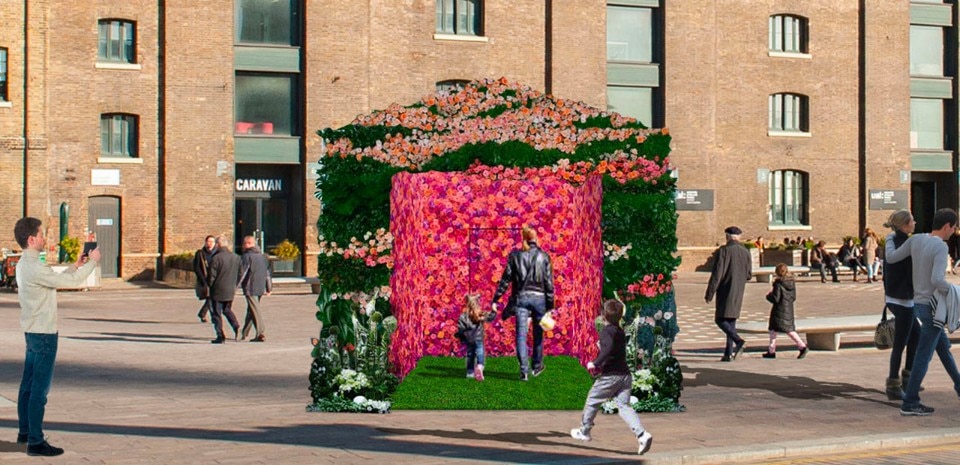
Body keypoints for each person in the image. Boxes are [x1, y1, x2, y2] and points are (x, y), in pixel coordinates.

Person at [13, 217, 101, 456]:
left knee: (27, 386)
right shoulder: (34, 266)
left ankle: (24, 432)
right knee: (39, 392)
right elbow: (70, 282)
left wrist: (75, 264)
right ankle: (35, 441)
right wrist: (92, 263)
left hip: (32, 331)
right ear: (32, 239)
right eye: (41, 235)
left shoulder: (25, 264)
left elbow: (53, 279)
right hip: (44, 334)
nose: (44, 239)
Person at [884, 208, 960, 416]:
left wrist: (890, 237)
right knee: (923, 356)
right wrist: (954, 290)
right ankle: (910, 402)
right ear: (947, 226)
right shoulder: (941, 247)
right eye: (954, 228)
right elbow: (937, 280)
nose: (954, 231)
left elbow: (891, 257)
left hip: (918, 304)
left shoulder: (916, 239)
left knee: (943, 349)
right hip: (933, 307)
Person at [570, 299, 653, 455]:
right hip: (624, 376)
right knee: (624, 406)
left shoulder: (607, 331)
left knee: (592, 400)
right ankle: (642, 435)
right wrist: (602, 346)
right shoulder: (619, 331)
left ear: (603, 315)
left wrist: (595, 363)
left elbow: (607, 351)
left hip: (611, 376)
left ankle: (584, 431)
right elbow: (612, 348)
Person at [492, 226, 556, 381]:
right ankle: (537, 366)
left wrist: (496, 298)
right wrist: (550, 305)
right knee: (538, 333)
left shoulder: (515, 256)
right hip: (540, 299)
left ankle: (524, 371)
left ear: (524, 238)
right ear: (536, 238)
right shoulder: (544, 257)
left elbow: (505, 280)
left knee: (521, 335)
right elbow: (549, 283)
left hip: (521, 299)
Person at [881, 209, 920, 401]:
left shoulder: (893, 241)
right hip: (902, 298)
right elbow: (912, 273)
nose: (915, 222)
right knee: (901, 343)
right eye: (912, 221)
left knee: (915, 336)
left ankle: (908, 377)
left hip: (896, 296)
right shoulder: (904, 244)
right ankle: (894, 383)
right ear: (905, 225)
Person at [705, 226, 752, 361]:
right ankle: (728, 353)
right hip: (739, 289)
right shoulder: (745, 251)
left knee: (720, 319)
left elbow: (717, 274)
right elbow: (749, 274)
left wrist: (710, 292)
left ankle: (738, 341)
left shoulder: (724, 251)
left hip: (726, 289)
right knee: (731, 321)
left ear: (727, 237)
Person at [761, 264, 809, 359]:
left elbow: (776, 298)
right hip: (788, 309)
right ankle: (772, 350)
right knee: (788, 329)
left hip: (779, 310)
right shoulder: (791, 283)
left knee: (774, 330)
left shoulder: (778, 284)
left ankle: (801, 346)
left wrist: (768, 296)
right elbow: (793, 297)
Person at [207, 235, 242, 344]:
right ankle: (235, 325)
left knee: (216, 313)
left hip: (218, 290)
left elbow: (211, 276)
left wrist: (209, 286)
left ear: (218, 245)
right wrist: (235, 284)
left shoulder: (216, 258)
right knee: (227, 309)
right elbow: (240, 273)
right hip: (230, 289)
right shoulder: (236, 257)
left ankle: (220, 335)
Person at [239, 235, 272, 342]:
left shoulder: (247, 257)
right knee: (251, 310)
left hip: (250, 286)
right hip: (260, 286)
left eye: (244, 243)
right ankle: (245, 332)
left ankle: (260, 333)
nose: (243, 246)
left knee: (255, 309)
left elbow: (242, 273)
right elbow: (267, 274)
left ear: (249, 244)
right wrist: (269, 287)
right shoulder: (262, 257)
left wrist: (234, 287)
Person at [456, 294, 495, 381]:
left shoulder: (463, 316)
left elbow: (461, 329)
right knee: (480, 351)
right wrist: (494, 310)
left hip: (469, 339)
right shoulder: (480, 314)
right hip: (478, 338)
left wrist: (461, 336)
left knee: (470, 355)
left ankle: (470, 372)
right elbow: (490, 318)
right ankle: (480, 365)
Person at [192, 235, 216, 323]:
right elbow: (196, 267)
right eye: (208, 241)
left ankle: (203, 313)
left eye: (212, 242)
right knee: (210, 297)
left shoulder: (216, 253)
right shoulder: (200, 253)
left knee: (212, 298)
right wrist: (202, 279)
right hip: (205, 279)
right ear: (205, 242)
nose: (210, 244)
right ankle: (212, 316)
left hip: (214, 279)